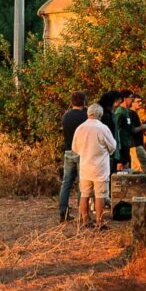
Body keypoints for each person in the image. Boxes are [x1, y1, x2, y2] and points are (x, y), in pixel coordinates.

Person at [72, 102, 118, 229]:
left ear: (88, 113)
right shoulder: (103, 128)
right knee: (100, 195)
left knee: (84, 194)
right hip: (100, 167)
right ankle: (99, 222)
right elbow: (113, 146)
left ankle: (85, 220)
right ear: (100, 115)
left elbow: (74, 148)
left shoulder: (80, 128)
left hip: (85, 166)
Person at [56, 88, 92, 223]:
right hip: (82, 152)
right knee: (83, 184)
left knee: (66, 183)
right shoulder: (86, 116)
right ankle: (82, 213)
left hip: (68, 151)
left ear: (71, 102)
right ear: (84, 101)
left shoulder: (66, 116)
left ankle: (63, 212)